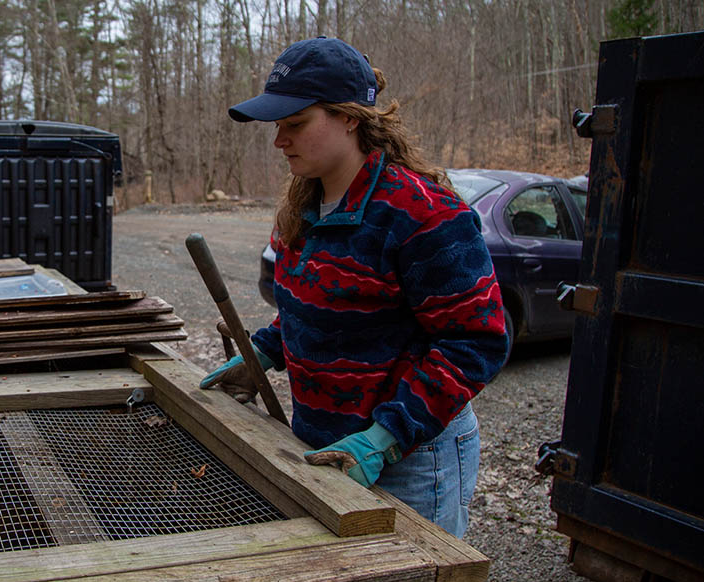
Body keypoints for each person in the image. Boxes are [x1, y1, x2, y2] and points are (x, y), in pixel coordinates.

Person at [202, 37, 509, 538]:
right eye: (278, 126)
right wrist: (263, 351)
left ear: (349, 117)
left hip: (409, 455)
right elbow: (318, 308)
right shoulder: (303, 209)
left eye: (295, 123)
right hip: (322, 440)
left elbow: (476, 341)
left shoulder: (422, 214)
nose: (280, 140)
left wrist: (385, 438)